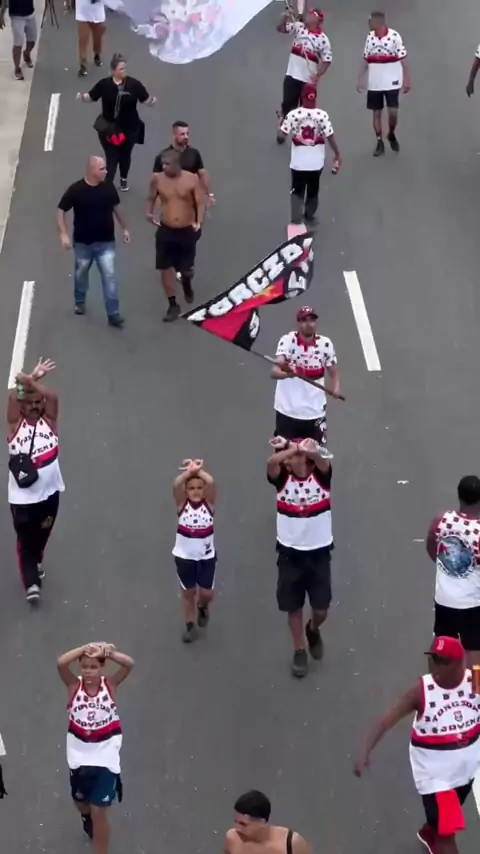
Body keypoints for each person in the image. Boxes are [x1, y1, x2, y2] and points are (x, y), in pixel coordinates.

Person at [354, 637, 480, 854]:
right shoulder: (422, 693)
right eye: (433, 659)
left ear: (459, 663)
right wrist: (365, 751)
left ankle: (430, 833)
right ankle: (437, 837)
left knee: (442, 824)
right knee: (447, 838)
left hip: (465, 774)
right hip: (438, 780)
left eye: (443, 661)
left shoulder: (475, 681)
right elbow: (386, 721)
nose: (435, 666)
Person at [57, 642, 134, 854]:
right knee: (81, 802)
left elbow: (129, 664)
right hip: (79, 758)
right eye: (84, 666)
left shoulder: (110, 686)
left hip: (105, 758)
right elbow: (61, 663)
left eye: (93, 667)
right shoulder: (74, 686)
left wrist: (109, 652)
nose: (88, 671)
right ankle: (85, 816)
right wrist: (84, 648)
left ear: (102, 668)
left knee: (100, 812)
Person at [267, 437, 334, 678]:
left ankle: (313, 629)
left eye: (303, 457)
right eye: (294, 457)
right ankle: (299, 650)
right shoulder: (282, 480)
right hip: (290, 553)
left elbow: (324, 461)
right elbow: (271, 463)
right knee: (293, 606)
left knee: (321, 609)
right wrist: (291, 449)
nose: (299, 459)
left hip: (319, 553)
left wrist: (310, 451)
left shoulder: (322, 478)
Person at [7, 358, 64, 604]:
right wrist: (29, 381)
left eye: (37, 402)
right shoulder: (15, 425)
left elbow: (53, 398)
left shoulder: (49, 422)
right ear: (23, 406)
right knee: (26, 542)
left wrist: (32, 382)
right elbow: (13, 398)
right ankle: (31, 583)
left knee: (42, 535)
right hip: (22, 499)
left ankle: (35, 560)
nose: (34, 406)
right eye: (29, 402)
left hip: (50, 494)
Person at [57, 156, 129, 327]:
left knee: (109, 277)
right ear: (91, 170)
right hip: (83, 243)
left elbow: (117, 208)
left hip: (106, 242)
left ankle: (113, 313)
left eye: (105, 168)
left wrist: (125, 228)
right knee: (81, 274)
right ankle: (80, 301)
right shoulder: (76, 190)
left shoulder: (109, 187)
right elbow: (60, 210)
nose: (106, 171)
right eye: (102, 169)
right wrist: (63, 234)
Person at [77, 54, 156, 190]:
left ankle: (123, 179)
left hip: (130, 129)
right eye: (121, 69)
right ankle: (107, 186)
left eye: (125, 68)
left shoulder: (134, 85)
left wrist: (152, 101)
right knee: (112, 157)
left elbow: (146, 99)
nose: (124, 71)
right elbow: (91, 96)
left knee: (125, 155)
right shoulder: (104, 85)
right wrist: (82, 97)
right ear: (113, 71)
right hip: (109, 129)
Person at [426, 476, 480, 667]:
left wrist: (448, 567)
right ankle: (475, 684)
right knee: (474, 650)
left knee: (441, 642)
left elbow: (432, 548)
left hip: (445, 599)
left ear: (459, 496)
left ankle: (434, 679)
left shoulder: (442, 520)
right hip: (473, 602)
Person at [146, 148, 205, 322]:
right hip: (166, 229)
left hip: (187, 230)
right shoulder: (158, 179)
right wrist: (148, 213)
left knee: (186, 270)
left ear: (177, 164)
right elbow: (151, 197)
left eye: (167, 164)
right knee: (164, 268)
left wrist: (199, 221)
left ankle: (186, 283)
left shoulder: (191, 179)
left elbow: (200, 202)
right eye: (162, 164)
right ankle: (173, 304)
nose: (164, 167)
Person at [271, 306, 340, 446]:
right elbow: (275, 371)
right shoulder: (288, 341)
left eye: (312, 320)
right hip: (287, 410)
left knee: (317, 452)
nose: (309, 324)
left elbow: (333, 370)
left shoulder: (325, 344)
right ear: (298, 323)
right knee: (284, 453)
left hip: (315, 411)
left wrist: (336, 387)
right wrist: (288, 374)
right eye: (304, 320)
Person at [278, 84, 341, 225]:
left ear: (302, 97)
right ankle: (309, 213)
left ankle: (296, 217)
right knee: (313, 189)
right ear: (315, 98)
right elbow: (330, 136)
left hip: (298, 164)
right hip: (316, 164)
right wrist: (337, 153)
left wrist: (280, 124)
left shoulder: (293, 115)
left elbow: (281, 137)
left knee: (297, 190)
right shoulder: (322, 115)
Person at [172, 458, 217, 643]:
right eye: (191, 488)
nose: (196, 491)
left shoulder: (209, 506)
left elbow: (211, 482)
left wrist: (198, 471)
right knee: (188, 592)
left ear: (204, 490)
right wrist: (188, 473)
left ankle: (202, 606)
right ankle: (190, 624)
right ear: (186, 491)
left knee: (207, 593)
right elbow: (176, 484)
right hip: (184, 557)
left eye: (199, 487)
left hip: (206, 557)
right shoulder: (182, 506)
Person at [357, 11, 410, 157]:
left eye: (371, 21)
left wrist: (407, 79)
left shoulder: (394, 37)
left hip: (392, 81)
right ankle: (379, 141)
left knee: (393, 112)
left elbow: (403, 59)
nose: (368, 24)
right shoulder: (369, 37)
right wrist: (360, 78)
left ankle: (391, 133)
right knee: (376, 113)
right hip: (375, 82)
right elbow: (366, 59)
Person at [276, 7, 332, 143]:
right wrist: (285, 17)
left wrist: (317, 75)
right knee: (288, 105)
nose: (307, 16)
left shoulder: (323, 40)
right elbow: (281, 29)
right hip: (292, 75)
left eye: (310, 15)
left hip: (308, 80)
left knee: (305, 110)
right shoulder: (298, 27)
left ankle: (301, 135)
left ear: (316, 20)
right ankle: (283, 125)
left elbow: (327, 60)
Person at [224, 791, 312, 854]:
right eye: (236, 821)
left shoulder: (292, 844)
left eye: (243, 824)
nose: (237, 828)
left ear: (261, 822)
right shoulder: (232, 839)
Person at [152, 120, 215, 203]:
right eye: (182, 134)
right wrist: (154, 201)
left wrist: (210, 194)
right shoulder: (163, 156)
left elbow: (202, 174)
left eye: (187, 134)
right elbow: (155, 180)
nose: (186, 137)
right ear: (174, 135)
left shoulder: (194, 153)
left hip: (191, 199)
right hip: (170, 200)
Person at [66, 0, 106, 78]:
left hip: (97, 10)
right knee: (83, 39)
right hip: (82, 10)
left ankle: (97, 53)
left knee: (97, 36)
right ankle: (83, 65)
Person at [0, 0, 37, 81]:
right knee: (18, 42)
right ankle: (17, 68)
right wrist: (1, 14)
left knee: (32, 41)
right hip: (16, 16)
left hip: (30, 13)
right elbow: (4, 1)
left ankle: (26, 53)